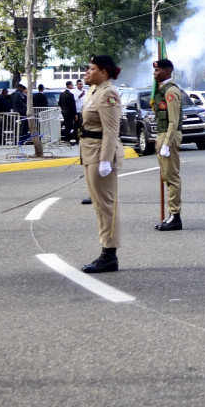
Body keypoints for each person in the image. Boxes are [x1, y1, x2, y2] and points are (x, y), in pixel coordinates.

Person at [78, 55, 125, 273]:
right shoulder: (93, 91)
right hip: (90, 152)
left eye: (91, 68)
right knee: (98, 205)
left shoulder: (108, 93)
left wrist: (106, 160)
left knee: (106, 206)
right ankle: (106, 249)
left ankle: (109, 254)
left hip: (100, 154)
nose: (87, 72)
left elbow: (111, 130)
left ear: (104, 72)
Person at [152, 58, 186, 231]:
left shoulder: (171, 91)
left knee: (172, 177)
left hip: (169, 137)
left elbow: (173, 120)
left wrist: (166, 143)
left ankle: (175, 216)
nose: (154, 74)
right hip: (163, 135)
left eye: (158, 70)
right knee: (166, 177)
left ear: (167, 71)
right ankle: (171, 214)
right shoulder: (162, 90)